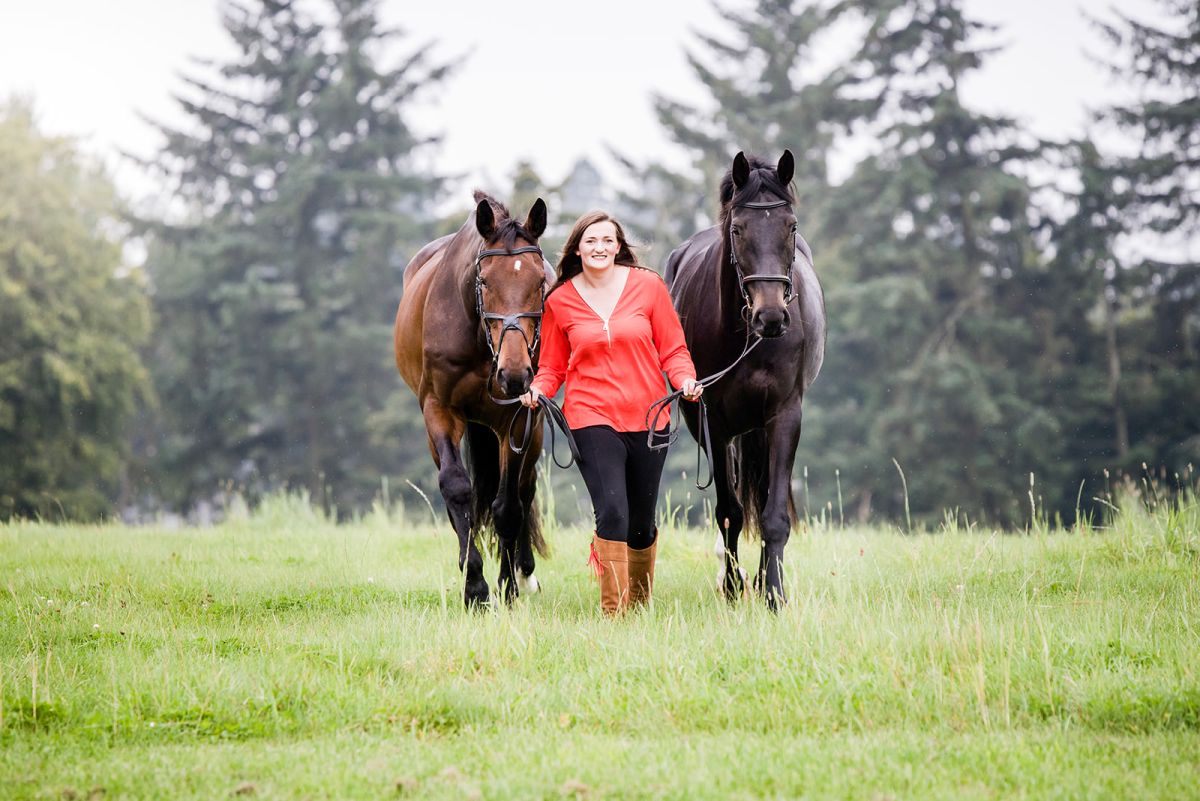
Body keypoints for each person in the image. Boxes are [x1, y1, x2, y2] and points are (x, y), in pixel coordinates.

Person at [520, 211, 701, 615]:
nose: (599, 248)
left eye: (606, 240)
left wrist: (685, 380)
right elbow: (552, 366)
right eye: (590, 241)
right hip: (590, 416)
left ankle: (639, 606)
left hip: (649, 416)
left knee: (641, 522)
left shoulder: (649, 287)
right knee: (613, 511)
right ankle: (614, 613)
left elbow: (673, 349)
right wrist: (537, 389)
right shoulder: (560, 301)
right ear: (578, 248)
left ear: (618, 246)